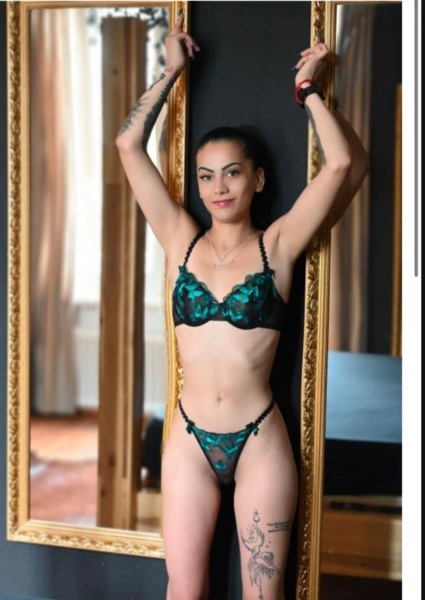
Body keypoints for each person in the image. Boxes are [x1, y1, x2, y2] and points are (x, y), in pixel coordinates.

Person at [116, 12, 368, 600]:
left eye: (232, 173)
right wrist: (170, 71)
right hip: (189, 438)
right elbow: (128, 145)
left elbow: (342, 165)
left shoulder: (277, 245)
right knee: (184, 590)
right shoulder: (180, 239)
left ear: (257, 179)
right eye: (205, 177)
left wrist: (307, 91)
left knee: (264, 596)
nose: (218, 187)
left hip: (258, 440)